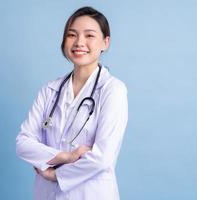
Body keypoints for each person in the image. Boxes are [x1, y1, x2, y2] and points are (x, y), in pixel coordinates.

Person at [16, 6, 128, 200]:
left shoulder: (113, 90)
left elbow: (102, 158)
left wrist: (56, 174)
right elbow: (23, 144)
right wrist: (66, 156)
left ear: (105, 42)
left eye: (89, 35)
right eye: (72, 35)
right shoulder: (50, 90)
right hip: (47, 194)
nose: (79, 42)